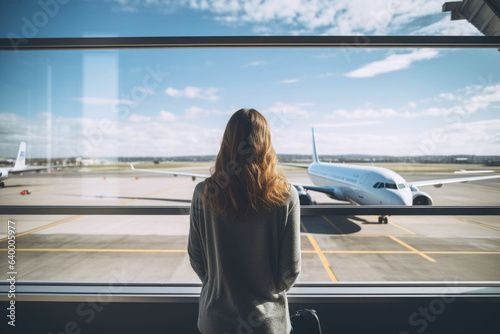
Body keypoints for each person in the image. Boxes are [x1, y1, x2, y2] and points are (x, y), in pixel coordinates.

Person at [188, 108, 301, 334]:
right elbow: (290, 269)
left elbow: (196, 257)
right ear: (266, 143)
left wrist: (219, 286)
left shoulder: (204, 193)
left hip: (216, 322)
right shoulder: (286, 195)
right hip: (267, 324)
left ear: (227, 143)